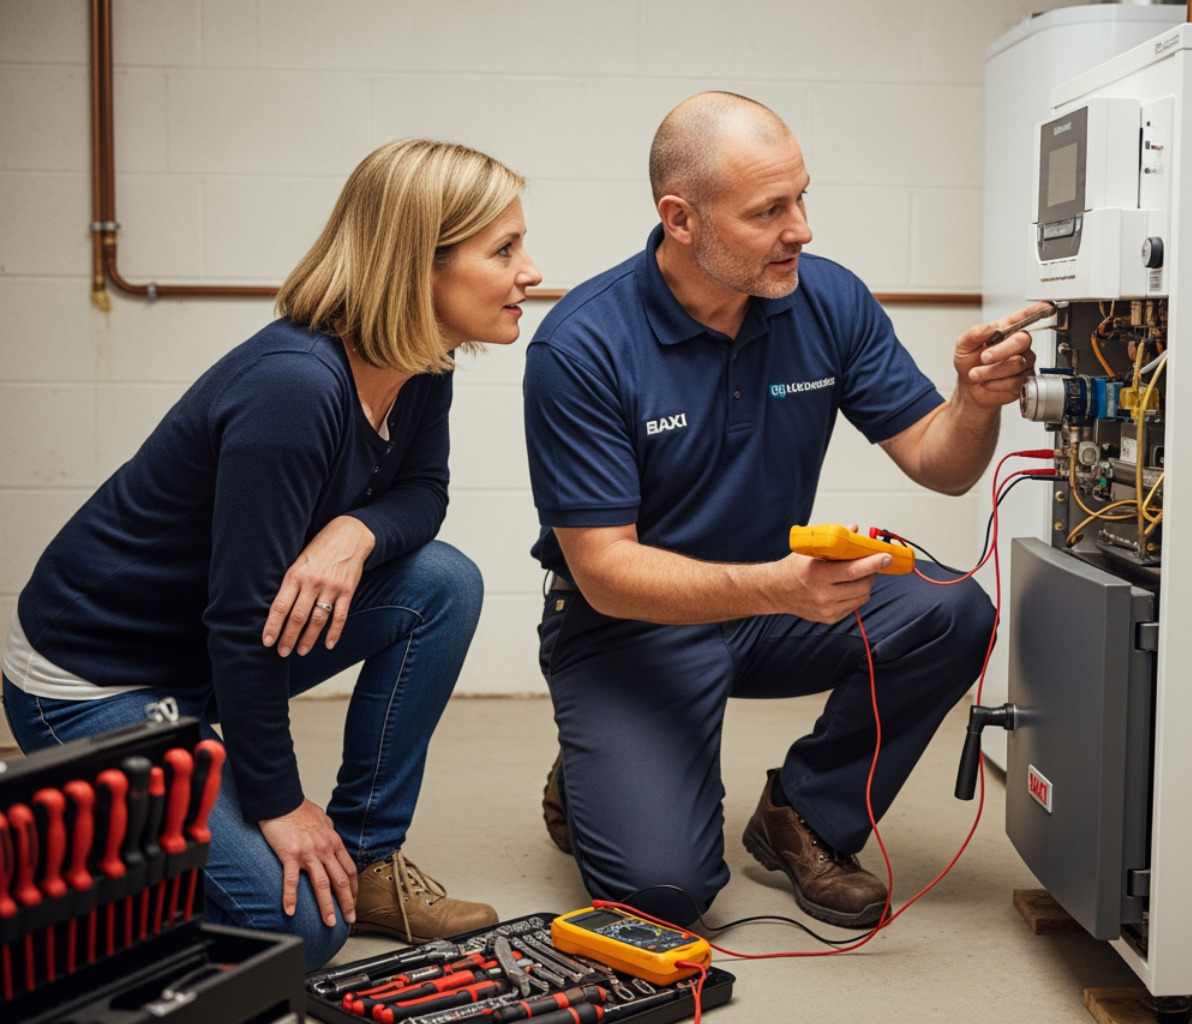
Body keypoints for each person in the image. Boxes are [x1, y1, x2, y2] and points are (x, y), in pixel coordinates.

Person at [3, 138, 542, 970]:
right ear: (417, 265)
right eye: (503, 250)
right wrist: (280, 803)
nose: (529, 271)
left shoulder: (419, 364)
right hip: (92, 682)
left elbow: (423, 495)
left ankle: (365, 861)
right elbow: (241, 621)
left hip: (199, 662)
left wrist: (354, 531)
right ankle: (74, 851)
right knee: (304, 931)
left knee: (441, 584)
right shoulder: (294, 387)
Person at [523, 92, 1049, 930]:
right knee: (666, 899)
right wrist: (776, 588)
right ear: (681, 219)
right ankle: (596, 761)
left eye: (802, 198)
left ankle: (804, 813)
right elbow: (607, 574)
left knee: (951, 611)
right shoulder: (583, 344)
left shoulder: (826, 300)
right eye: (769, 210)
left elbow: (938, 464)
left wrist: (974, 400)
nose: (800, 228)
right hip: (626, 625)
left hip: (772, 602)